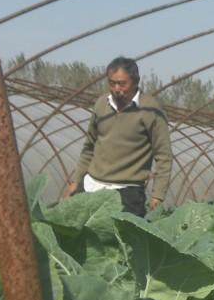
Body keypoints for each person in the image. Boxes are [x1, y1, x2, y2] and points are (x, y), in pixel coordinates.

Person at [61, 57, 171, 216]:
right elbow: (89, 147)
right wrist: (76, 181)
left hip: (126, 192)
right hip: (91, 185)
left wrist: (157, 195)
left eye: (122, 83)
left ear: (135, 81)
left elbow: (163, 155)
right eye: (112, 83)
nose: (116, 89)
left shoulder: (151, 110)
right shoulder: (101, 104)